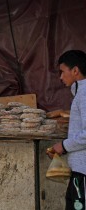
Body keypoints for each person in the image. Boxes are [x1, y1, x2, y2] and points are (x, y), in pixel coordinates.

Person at [47, 50, 86, 210]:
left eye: (63, 72)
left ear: (75, 71)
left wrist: (63, 146)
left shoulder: (85, 94)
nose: (61, 77)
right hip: (78, 170)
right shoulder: (80, 92)